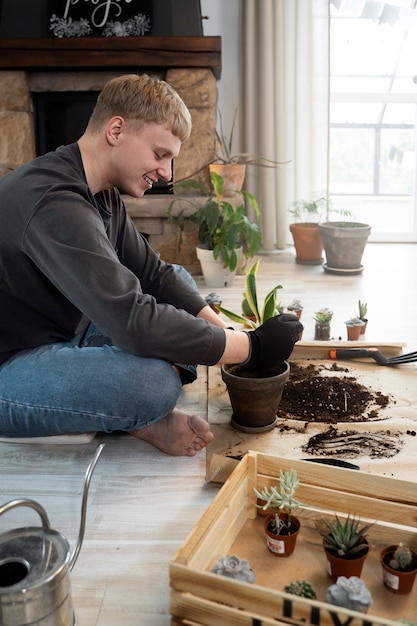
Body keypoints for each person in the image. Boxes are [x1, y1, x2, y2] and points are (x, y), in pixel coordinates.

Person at [0, 74, 303, 457]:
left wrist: (225, 332)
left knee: (175, 280)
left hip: (63, 329)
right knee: (153, 385)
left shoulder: (99, 189)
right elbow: (131, 322)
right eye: (160, 155)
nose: (167, 174)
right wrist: (251, 347)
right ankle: (142, 416)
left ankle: (127, 406)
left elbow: (155, 275)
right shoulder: (53, 202)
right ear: (116, 130)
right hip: (11, 367)